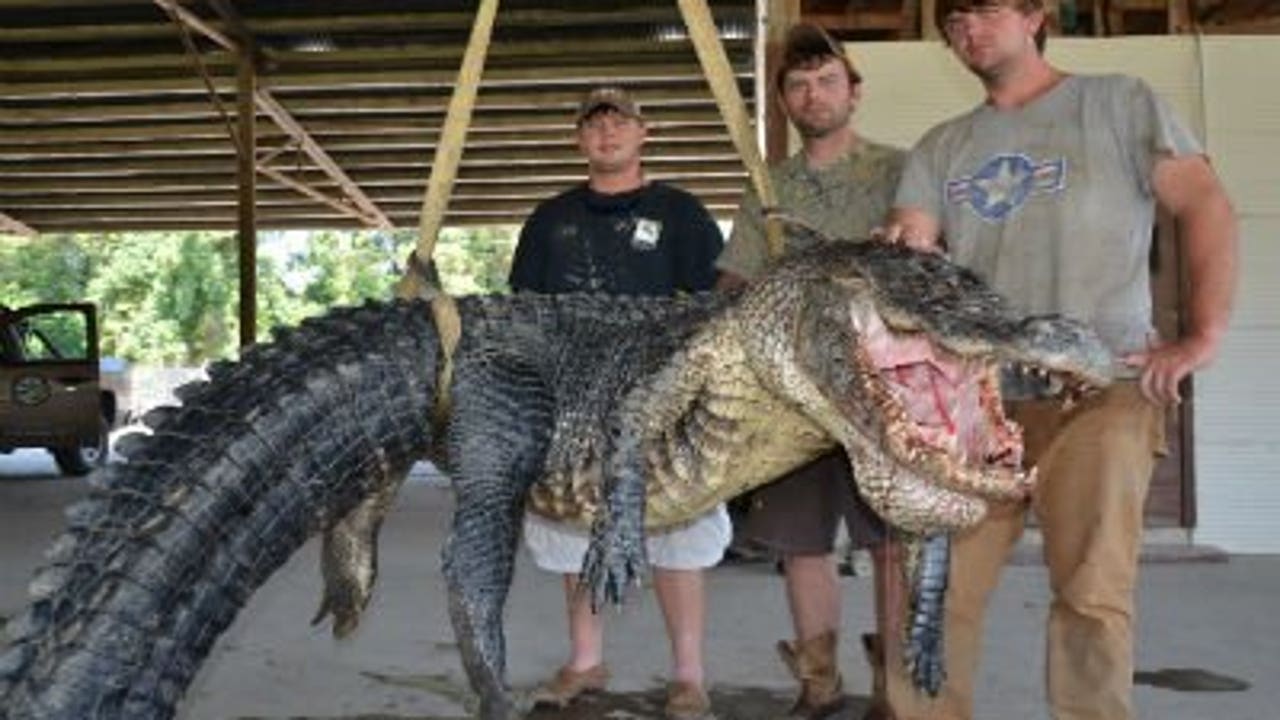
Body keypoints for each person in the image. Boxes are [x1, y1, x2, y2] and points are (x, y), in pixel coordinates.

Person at [878, 2, 1238, 718]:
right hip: (976, 406)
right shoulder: (942, 146)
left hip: (1102, 390)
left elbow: (1205, 204)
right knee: (936, 595)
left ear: (1036, 14)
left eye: (983, 11)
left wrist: (1201, 335)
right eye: (952, 23)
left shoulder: (1118, 102)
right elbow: (913, 241)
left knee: (1092, 595)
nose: (967, 32)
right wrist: (900, 255)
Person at [510, 85, 730, 720]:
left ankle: (689, 675)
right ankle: (585, 660)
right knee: (574, 527)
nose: (607, 133)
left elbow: (711, 309)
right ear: (579, 138)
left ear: (644, 133)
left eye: (620, 122)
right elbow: (525, 313)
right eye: (594, 124)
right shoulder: (549, 221)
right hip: (575, 400)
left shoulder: (683, 214)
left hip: (666, 399)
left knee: (678, 531)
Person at [715, 24, 906, 720]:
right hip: (793, 396)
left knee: (890, 543)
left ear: (854, 91)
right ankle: (818, 682)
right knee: (800, 545)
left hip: (884, 392)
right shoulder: (768, 186)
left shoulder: (900, 171)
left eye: (827, 80)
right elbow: (735, 281)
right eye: (797, 84)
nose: (811, 93)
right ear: (785, 102)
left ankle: (897, 687)